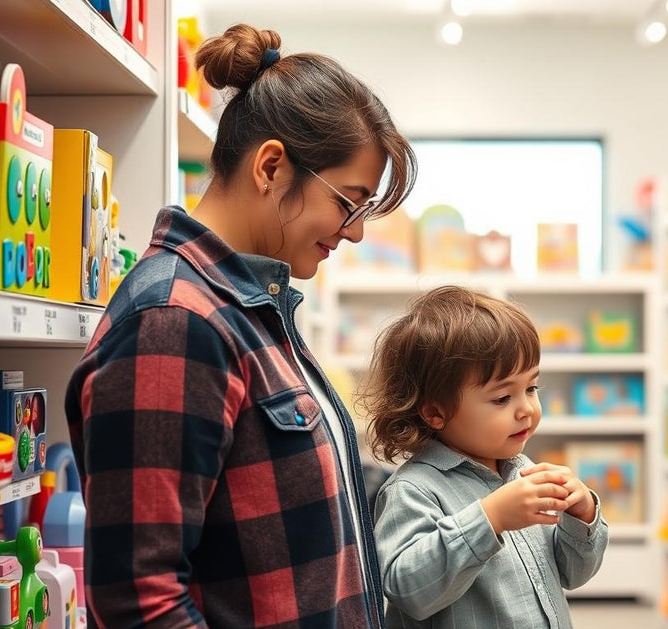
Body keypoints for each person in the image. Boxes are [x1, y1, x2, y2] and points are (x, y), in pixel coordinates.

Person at [65, 24, 416, 628]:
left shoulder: (248, 306)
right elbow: (139, 603)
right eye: (348, 202)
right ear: (272, 167)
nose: (356, 230)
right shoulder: (174, 324)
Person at [361, 286, 608, 628]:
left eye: (531, 388)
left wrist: (582, 516)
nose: (526, 409)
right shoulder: (413, 490)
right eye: (502, 398)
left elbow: (573, 574)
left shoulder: (524, 473)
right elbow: (408, 590)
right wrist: (490, 518)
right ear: (436, 412)